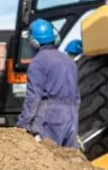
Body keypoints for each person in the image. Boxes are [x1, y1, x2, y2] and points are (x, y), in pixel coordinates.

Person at [16, 19, 79, 148]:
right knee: (70, 161)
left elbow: (33, 97)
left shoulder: (38, 62)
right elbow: (77, 95)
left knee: (48, 159)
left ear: (33, 42)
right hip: (71, 116)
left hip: (50, 117)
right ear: (55, 38)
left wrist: (22, 124)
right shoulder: (69, 61)